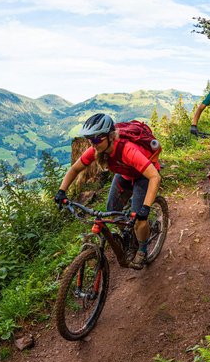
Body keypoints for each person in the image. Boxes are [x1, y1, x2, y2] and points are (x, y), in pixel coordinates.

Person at [54, 113, 162, 270]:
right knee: (112, 209)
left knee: (140, 219)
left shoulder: (127, 150)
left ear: (110, 136)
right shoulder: (96, 150)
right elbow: (75, 168)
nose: (93, 144)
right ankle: (129, 235)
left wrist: (145, 209)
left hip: (144, 176)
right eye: (90, 140)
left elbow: (154, 177)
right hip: (125, 174)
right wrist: (61, 191)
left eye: (97, 139)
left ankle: (143, 249)